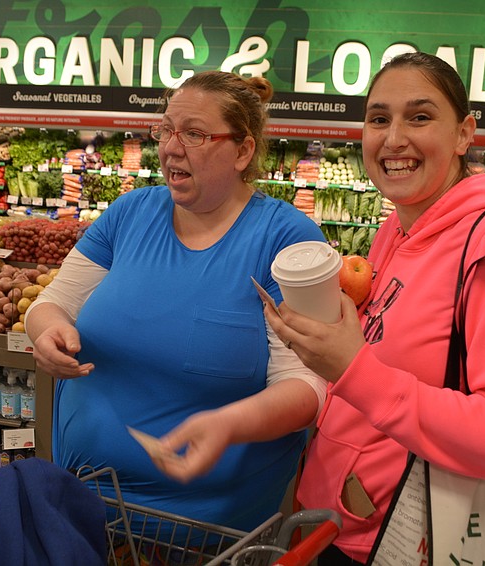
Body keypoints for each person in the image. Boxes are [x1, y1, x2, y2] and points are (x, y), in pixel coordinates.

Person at [264, 52, 485, 565]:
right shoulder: (398, 228)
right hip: (334, 525)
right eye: (378, 119)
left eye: (420, 116)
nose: (393, 139)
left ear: (464, 133)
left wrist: (353, 368)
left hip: (408, 541)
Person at [24, 71, 327, 537]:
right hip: (81, 509)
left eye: (195, 134)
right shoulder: (131, 212)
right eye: (165, 129)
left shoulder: (286, 239)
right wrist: (46, 332)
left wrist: (228, 424)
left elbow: (308, 386)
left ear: (243, 151)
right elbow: (52, 302)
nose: (170, 146)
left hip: (205, 534)